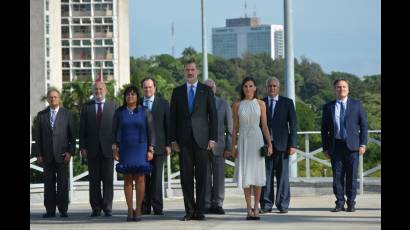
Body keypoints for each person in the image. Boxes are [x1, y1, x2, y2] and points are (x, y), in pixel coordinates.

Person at [170, 60, 218, 221]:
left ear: (197, 71)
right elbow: (172, 119)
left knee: (202, 177)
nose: (190, 72)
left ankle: (200, 211)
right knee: (186, 177)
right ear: (184, 72)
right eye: (187, 70)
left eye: (192, 70)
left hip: (202, 140)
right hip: (183, 141)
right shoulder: (177, 92)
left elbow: (214, 116)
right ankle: (189, 211)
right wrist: (173, 140)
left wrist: (212, 138)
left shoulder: (206, 91)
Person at [321, 79, 368, 212]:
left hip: (353, 146)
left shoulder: (356, 104)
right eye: (338, 87)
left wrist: (363, 144)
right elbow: (324, 129)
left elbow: (364, 126)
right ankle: (339, 203)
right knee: (337, 177)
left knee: (352, 176)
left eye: (344, 87)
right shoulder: (328, 107)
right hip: (335, 146)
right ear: (335, 89)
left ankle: (351, 202)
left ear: (348, 89)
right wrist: (325, 147)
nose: (341, 89)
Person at [231, 77, 273, 220]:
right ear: (242, 88)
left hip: (257, 139)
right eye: (245, 86)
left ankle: (256, 208)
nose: (248, 89)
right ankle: (248, 208)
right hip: (243, 140)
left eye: (250, 86)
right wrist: (233, 146)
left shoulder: (261, 104)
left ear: (255, 88)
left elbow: (265, 125)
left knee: (257, 175)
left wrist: (270, 143)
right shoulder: (237, 105)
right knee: (246, 174)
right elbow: (235, 127)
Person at [112, 85, 156, 221]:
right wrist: (114, 148)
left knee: (140, 178)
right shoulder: (119, 112)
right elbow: (114, 131)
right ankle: (130, 210)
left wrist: (151, 149)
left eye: (133, 94)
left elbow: (151, 131)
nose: (130, 96)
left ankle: (139, 210)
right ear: (125, 97)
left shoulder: (145, 111)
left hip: (141, 148)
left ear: (138, 96)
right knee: (128, 179)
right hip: (125, 148)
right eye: (127, 95)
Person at [79, 80, 118, 217]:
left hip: (109, 149)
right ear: (93, 91)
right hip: (92, 149)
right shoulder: (86, 107)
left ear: (106, 90)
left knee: (108, 180)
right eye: (96, 89)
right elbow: (82, 129)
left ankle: (107, 207)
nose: (98, 91)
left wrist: (116, 145)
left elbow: (117, 128)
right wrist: (82, 147)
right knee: (94, 181)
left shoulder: (113, 105)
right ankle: (95, 208)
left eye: (101, 89)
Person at [35, 88, 75, 218]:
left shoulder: (67, 114)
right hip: (46, 156)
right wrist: (39, 154)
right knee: (49, 184)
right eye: (50, 97)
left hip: (62, 155)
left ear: (59, 98)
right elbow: (37, 137)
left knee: (63, 184)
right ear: (47, 99)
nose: (53, 99)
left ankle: (63, 209)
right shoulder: (41, 115)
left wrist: (70, 152)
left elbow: (72, 137)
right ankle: (50, 210)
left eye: (55, 97)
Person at [260, 77, 297, 214]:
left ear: (278, 87)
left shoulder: (287, 103)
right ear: (266, 87)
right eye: (269, 86)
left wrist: (293, 144)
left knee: (283, 176)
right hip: (265, 146)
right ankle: (266, 204)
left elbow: (293, 125)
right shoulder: (260, 102)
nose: (272, 88)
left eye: (274, 86)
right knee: (266, 176)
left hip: (283, 145)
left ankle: (282, 204)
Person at [139, 77, 171, 216]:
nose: (148, 89)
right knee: (143, 178)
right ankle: (145, 207)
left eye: (150, 87)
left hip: (159, 147)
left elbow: (168, 126)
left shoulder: (163, 103)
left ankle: (157, 207)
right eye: (145, 87)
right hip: (141, 148)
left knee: (157, 178)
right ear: (142, 89)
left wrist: (169, 144)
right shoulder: (137, 104)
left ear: (155, 88)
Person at [203, 79, 233, 215]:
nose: (209, 89)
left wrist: (229, 147)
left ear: (215, 89)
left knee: (219, 177)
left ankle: (218, 203)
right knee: (205, 176)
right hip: (202, 146)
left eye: (211, 87)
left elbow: (230, 128)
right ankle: (207, 203)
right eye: (206, 87)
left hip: (220, 147)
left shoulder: (223, 104)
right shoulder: (198, 104)